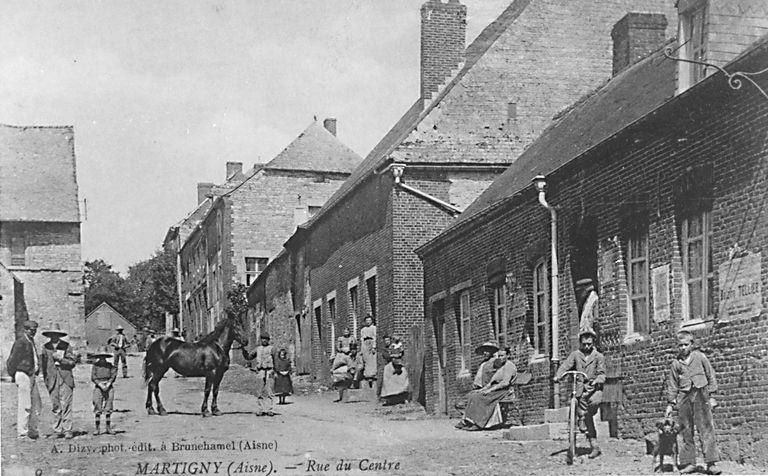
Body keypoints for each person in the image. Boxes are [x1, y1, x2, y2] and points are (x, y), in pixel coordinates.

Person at [666, 330, 721, 475]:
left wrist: (712, 396)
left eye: (686, 344)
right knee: (685, 430)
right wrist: (670, 404)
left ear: (692, 344)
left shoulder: (700, 357)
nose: (683, 348)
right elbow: (672, 385)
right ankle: (689, 462)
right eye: (680, 345)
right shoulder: (676, 363)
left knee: (706, 428)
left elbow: (711, 375)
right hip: (684, 397)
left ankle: (711, 463)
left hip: (700, 394)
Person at [554, 329, 606, 459]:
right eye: (584, 344)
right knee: (577, 410)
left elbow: (602, 374)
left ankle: (585, 421)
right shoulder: (575, 355)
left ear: (593, 342)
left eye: (589, 344)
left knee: (591, 408)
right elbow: (565, 366)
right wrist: (558, 376)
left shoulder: (599, 356)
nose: (586, 347)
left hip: (594, 389)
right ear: (580, 343)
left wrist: (597, 381)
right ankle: (581, 444)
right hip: (579, 388)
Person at [455, 347, 517, 430]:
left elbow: (505, 383)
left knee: (479, 397)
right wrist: (483, 389)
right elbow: (491, 382)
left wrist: (489, 390)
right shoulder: (501, 366)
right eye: (498, 356)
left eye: (502, 356)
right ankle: (468, 421)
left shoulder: (509, 366)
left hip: (504, 391)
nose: (500, 358)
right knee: (474, 395)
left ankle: (479, 423)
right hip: (496, 389)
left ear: (508, 355)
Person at [6, 320, 42, 440]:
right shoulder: (21, 342)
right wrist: (14, 375)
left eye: (35, 330)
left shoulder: (31, 342)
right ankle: (22, 433)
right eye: (31, 330)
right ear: (25, 330)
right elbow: (12, 360)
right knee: (25, 404)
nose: (33, 333)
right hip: (23, 374)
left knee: (36, 404)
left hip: (31, 375)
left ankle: (32, 430)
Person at [41, 323, 77, 439]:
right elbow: (44, 365)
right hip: (52, 379)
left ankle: (67, 429)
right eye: (52, 334)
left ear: (59, 335)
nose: (54, 336)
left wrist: (62, 360)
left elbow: (72, 363)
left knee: (66, 404)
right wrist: (46, 380)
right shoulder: (46, 347)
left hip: (65, 378)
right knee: (55, 405)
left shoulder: (66, 346)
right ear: (49, 335)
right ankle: (57, 430)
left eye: (56, 334)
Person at [243, 332, 277, 416]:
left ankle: (270, 409)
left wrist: (275, 371)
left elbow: (276, 360)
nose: (264, 340)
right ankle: (260, 409)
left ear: (268, 340)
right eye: (262, 339)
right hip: (260, 371)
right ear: (261, 340)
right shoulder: (257, 349)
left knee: (270, 391)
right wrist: (243, 350)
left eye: (266, 339)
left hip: (270, 371)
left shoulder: (272, 349)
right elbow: (249, 357)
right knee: (259, 391)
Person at [91, 352, 117, 435]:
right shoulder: (95, 366)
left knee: (108, 406)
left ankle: (108, 428)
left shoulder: (110, 365)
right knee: (97, 405)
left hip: (109, 386)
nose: (102, 359)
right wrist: (100, 384)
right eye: (100, 357)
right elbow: (93, 377)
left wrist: (109, 383)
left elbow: (113, 375)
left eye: (104, 357)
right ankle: (97, 428)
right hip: (99, 386)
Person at [380, 336, 410, 405]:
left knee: (403, 374)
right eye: (385, 341)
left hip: (398, 364)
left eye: (388, 340)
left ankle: (403, 396)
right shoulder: (384, 349)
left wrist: (398, 354)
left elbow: (401, 353)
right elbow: (386, 356)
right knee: (387, 378)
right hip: (389, 366)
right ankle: (388, 397)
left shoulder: (395, 346)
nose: (387, 342)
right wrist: (393, 355)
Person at [359, 315, 377, 388]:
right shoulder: (363, 330)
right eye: (367, 321)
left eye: (369, 320)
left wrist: (374, 346)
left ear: (372, 321)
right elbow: (362, 339)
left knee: (372, 360)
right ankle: (367, 375)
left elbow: (375, 337)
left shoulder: (374, 328)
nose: (368, 322)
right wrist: (362, 348)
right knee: (365, 359)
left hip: (371, 343)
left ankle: (372, 375)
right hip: (365, 344)